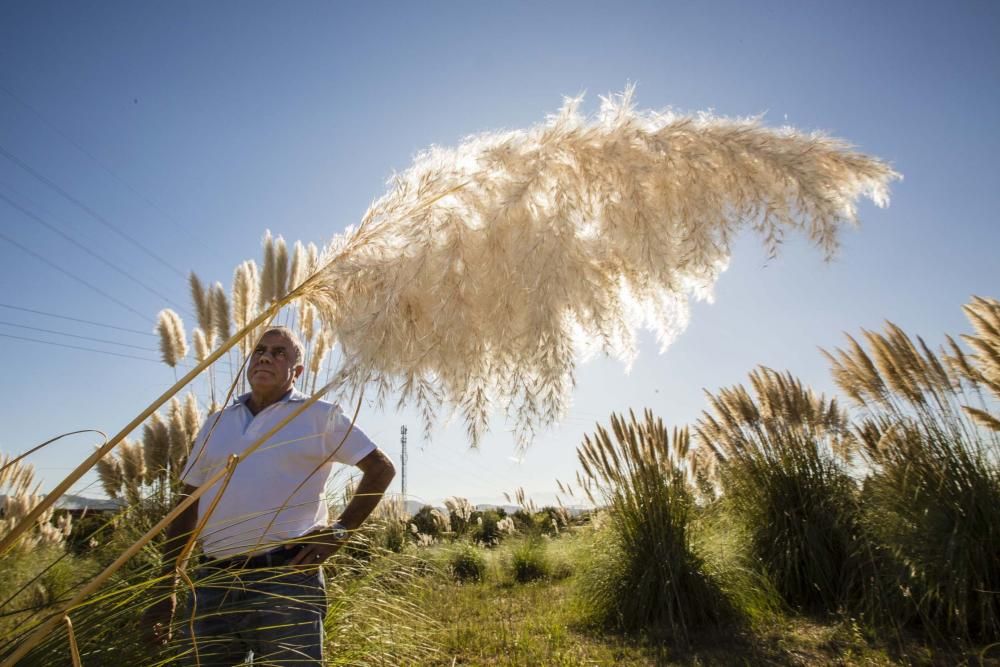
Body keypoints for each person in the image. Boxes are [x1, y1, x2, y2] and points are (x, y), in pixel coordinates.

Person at [143, 326, 395, 665]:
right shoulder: (217, 423)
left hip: (285, 581)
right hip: (212, 581)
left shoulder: (320, 416)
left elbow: (381, 469)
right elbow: (188, 504)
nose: (265, 356)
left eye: (279, 352)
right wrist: (166, 584)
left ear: (298, 371)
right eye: (259, 350)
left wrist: (339, 531)